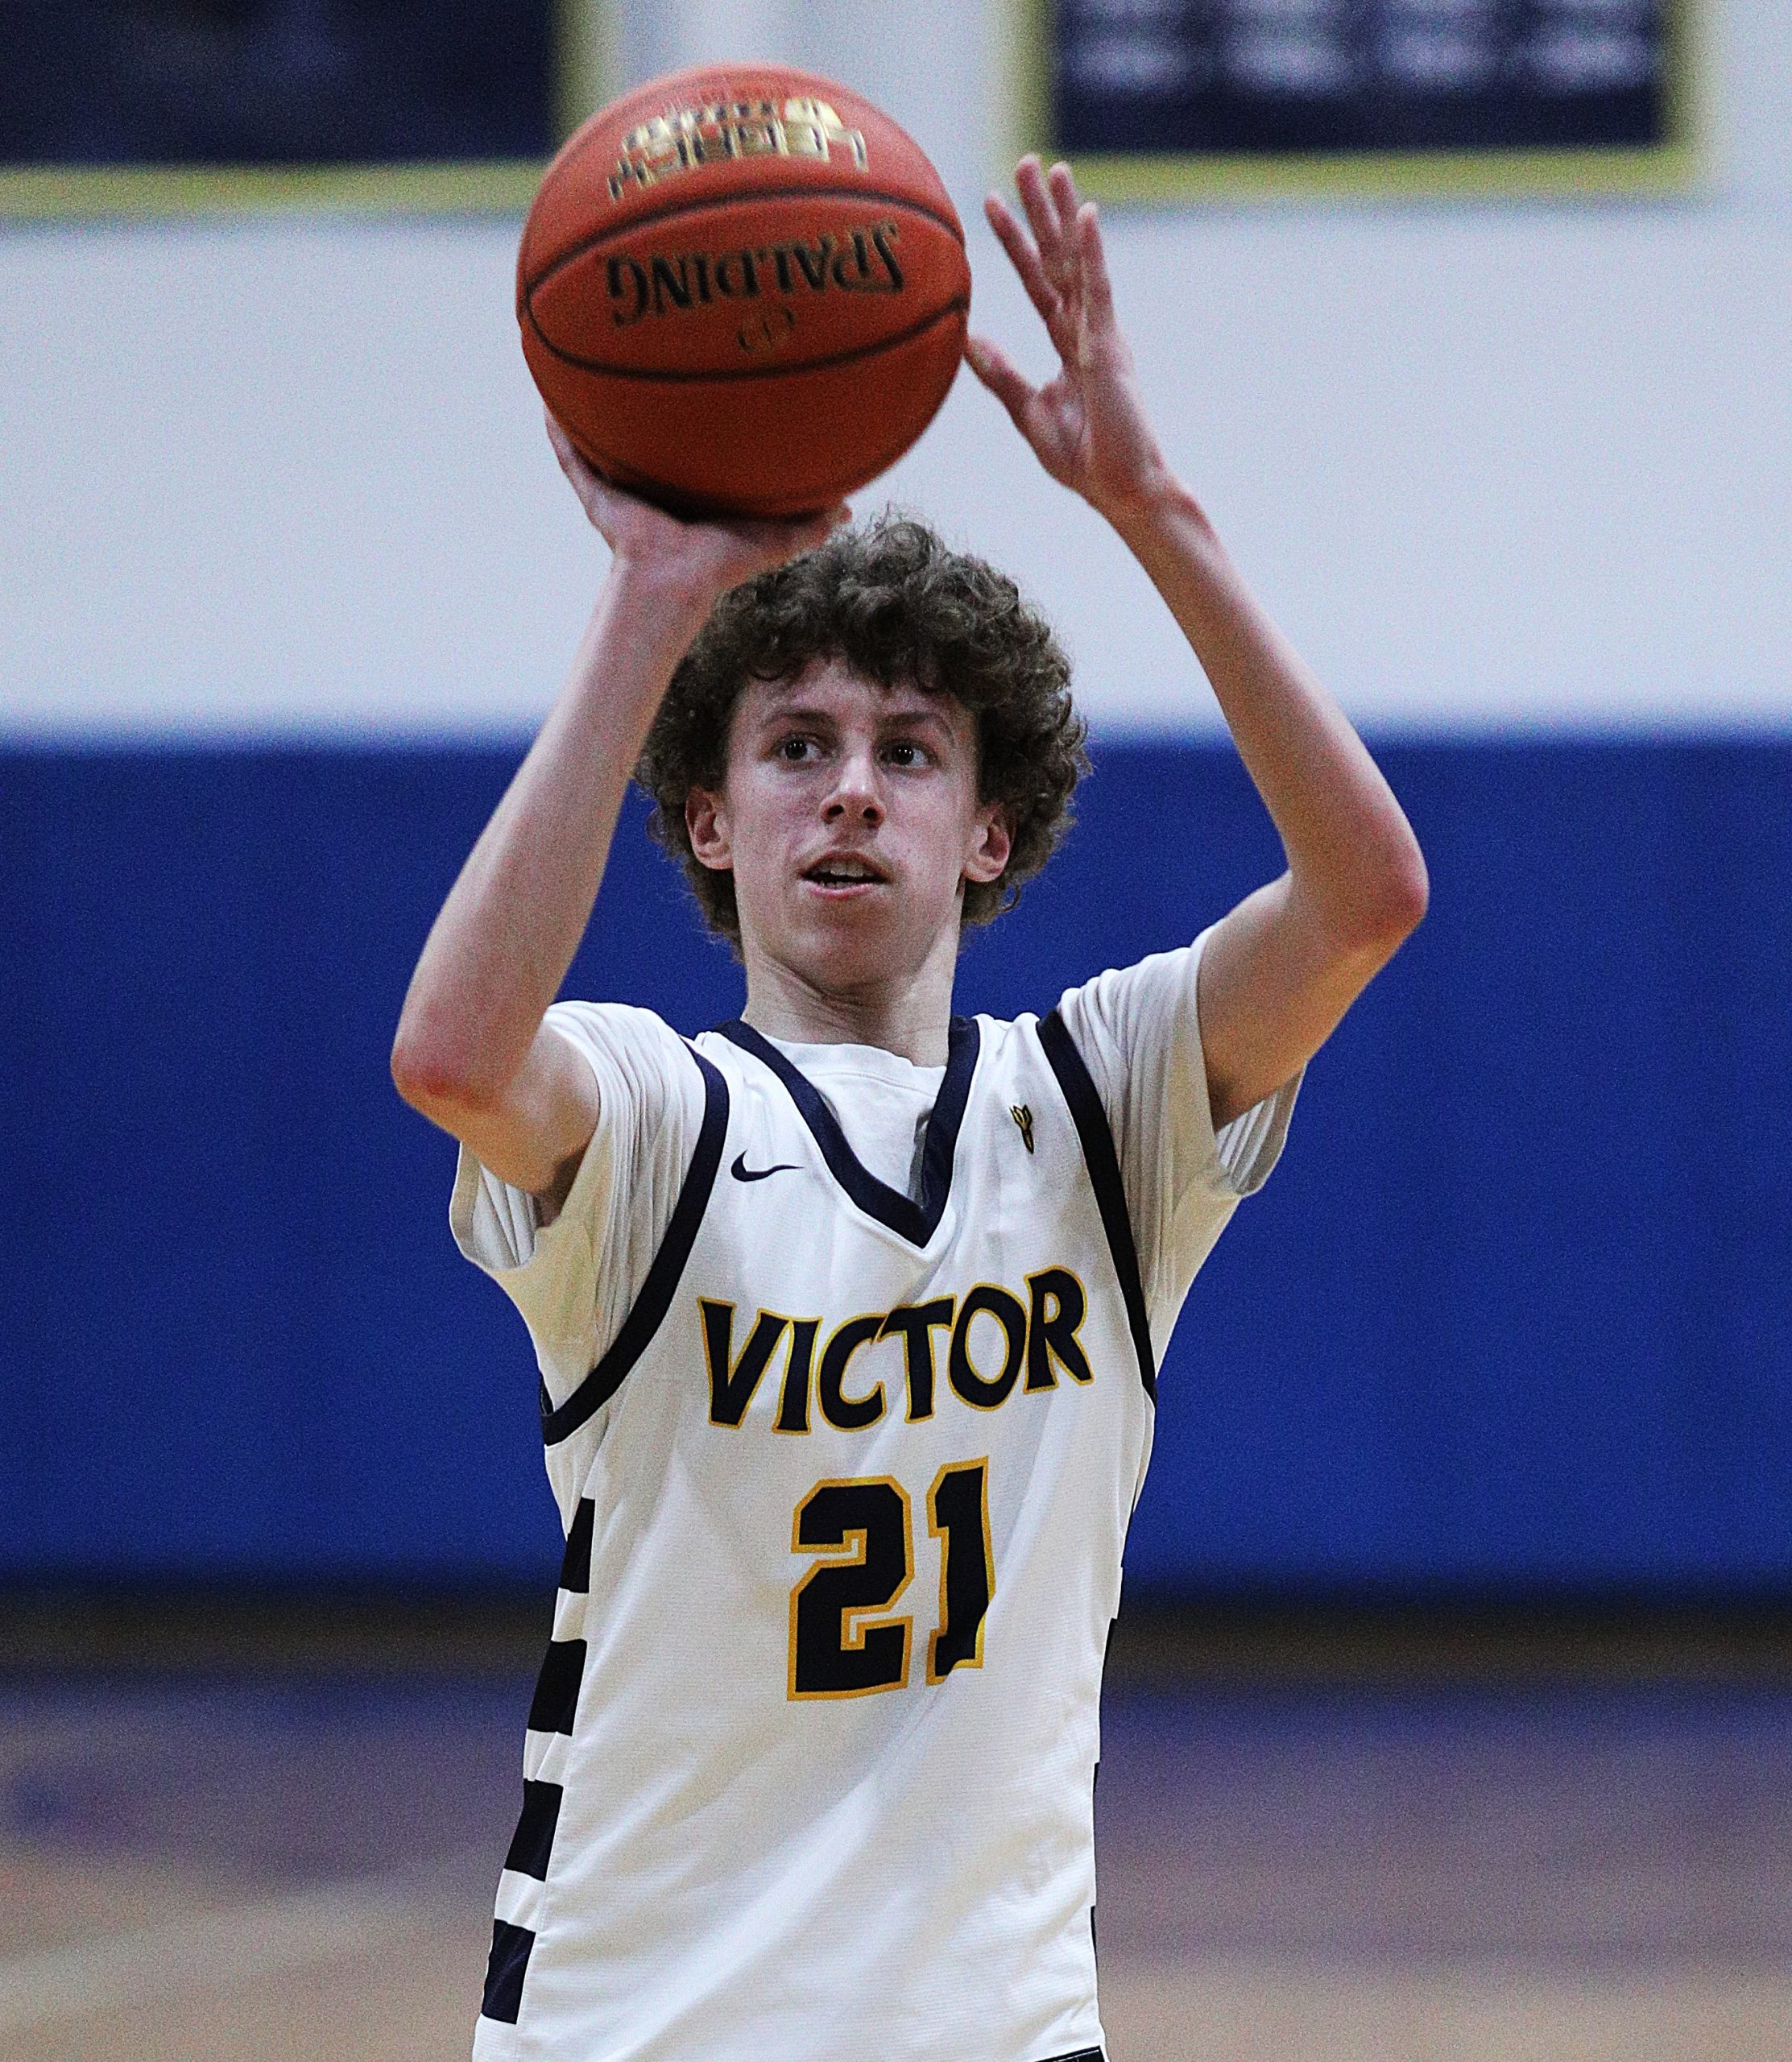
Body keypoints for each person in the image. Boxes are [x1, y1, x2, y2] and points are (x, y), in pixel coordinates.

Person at [391, 156, 1427, 2062]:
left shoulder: (1101, 1110)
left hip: (999, 2028)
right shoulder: (654, 1115)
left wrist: (1149, 504)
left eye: (910, 751)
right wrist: (652, 596)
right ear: (712, 821)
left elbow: (1366, 892)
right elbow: (455, 1056)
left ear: (992, 827)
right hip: (643, 2029)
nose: (852, 789)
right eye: (795, 746)